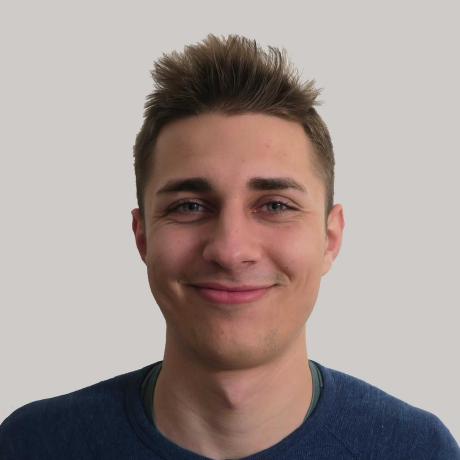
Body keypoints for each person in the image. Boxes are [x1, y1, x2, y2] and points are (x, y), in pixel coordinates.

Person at [0, 34, 458, 460]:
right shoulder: (32, 445)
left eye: (275, 205)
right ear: (142, 237)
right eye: (190, 206)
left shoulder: (418, 451)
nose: (231, 249)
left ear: (330, 238)